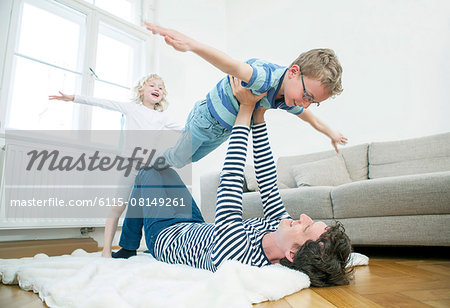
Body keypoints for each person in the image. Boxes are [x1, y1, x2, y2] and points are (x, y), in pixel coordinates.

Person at [113, 79, 352, 287]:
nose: (304, 218)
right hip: (195, 225)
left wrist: (246, 109)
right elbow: (268, 179)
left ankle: (128, 247)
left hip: (166, 235)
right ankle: (130, 242)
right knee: (161, 168)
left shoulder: (236, 255)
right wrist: (259, 117)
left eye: (307, 227)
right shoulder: (282, 229)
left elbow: (230, 180)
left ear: (291, 254)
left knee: (147, 171)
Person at [143, 22, 348, 171]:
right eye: (307, 96)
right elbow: (231, 65)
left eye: (313, 102)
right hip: (206, 119)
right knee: (178, 159)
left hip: (223, 131)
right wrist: (192, 45)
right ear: (293, 72)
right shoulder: (264, 78)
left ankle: (167, 155)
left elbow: (308, 116)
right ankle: (148, 164)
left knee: (190, 159)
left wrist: (331, 133)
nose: (306, 104)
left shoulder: (289, 97)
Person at [49, 74, 183, 258]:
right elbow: (102, 102)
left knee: (144, 207)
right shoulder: (131, 109)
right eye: (152, 85)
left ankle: (142, 246)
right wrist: (73, 98)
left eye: (160, 87)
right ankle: (106, 249)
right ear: (141, 90)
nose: (157, 89)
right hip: (130, 165)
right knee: (118, 207)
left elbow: (186, 129)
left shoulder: (162, 118)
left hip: (149, 169)